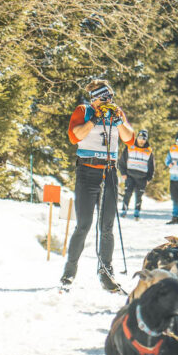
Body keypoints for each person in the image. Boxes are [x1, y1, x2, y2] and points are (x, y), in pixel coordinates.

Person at [60, 79, 134, 291]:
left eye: (111, 97)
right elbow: (75, 137)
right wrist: (94, 120)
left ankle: (106, 273)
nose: (109, 101)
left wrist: (119, 121)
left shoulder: (116, 112)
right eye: (105, 98)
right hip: (87, 171)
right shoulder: (83, 111)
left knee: (107, 226)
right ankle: (69, 272)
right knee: (83, 224)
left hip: (109, 172)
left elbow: (129, 139)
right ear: (95, 99)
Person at [119, 128, 154, 220]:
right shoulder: (130, 147)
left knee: (139, 196)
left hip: (142, 177)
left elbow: (151, 166)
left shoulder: (149, 150)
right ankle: (124, 211)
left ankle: (137, 213)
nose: (141, 140)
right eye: (140, 138)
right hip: (130, 175)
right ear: (137, 138)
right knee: (127, 193)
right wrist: (123, 173)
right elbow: (122, 161)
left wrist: (149, 178)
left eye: (143, 139)